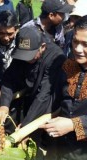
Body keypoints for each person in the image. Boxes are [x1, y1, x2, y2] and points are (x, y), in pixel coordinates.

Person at [0, 26, 66, 128]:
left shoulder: (55, 57)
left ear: (42, 47)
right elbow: (9, 78)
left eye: (29, 56)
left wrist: (27, 123)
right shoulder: (21, 53)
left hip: (48, 103)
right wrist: (4, 104)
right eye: (22, 55)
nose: (25, 59)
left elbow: (44, 94)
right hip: (28, 93)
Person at [40, 15, 87, 160]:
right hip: (59, 147)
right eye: (75, 42)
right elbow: (55, 101)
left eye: (85, 44)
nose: (78, 49)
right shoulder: (68, 66)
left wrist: (73, 125)